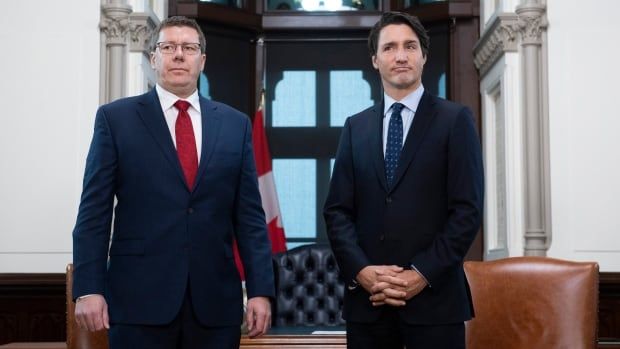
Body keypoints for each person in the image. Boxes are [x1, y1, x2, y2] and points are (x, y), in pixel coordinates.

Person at [72, 16, 274, 349]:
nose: (178, 55)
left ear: (202, 60)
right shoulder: (116, 119)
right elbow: (94, 212)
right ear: (154, 58)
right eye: (168, 47)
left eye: (189, 47)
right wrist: (89, 288)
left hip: (214, 308)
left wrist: (261, 290)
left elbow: (250, 219)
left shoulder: (235, 125)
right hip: (138, 305)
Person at [323, 11, 484, 349]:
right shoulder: (355, 127)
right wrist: (363, 273)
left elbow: (466, 211)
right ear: (375, 60)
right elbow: (337, 212)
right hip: (369, 306)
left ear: (424, 56)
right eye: (390, 47)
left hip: (436, 306)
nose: (400, 56)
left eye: (410, 46)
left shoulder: (455, 121)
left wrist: (420, 274)